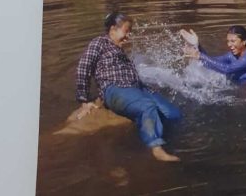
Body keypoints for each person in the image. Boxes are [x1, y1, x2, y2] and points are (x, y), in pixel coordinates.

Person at [76, 12, 181, 162]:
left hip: (137, 88)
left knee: (173, 114)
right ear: (113, 29)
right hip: (115, 89)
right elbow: (83, 67)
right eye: (126, 31)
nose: (128, 36)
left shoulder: (119, 49)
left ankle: (169, 140)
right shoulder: (99, 43)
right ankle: (156, 148)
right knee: (147, 106)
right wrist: (84, 100)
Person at [180, 25, 246, 83]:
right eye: (228, 41)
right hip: (242, 86)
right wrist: (197, 45)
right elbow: (211, 63)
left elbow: (227, 69)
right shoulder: (231, 55)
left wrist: (200, 55)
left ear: (244, 42)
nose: (229, 45)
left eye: (233, 41)